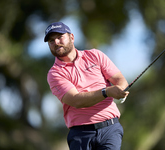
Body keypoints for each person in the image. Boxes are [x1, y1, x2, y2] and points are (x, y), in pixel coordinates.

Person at [44, 22, 129, 150]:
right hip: (80, 134)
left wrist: (121, 89)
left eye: (60, 37)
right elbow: (76, 100)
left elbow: (119, 79)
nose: (56, 42)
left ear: (72, 37)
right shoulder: (55, 73)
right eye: (51, 40)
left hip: (109, 129)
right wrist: (107, 92)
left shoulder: (95, 55)